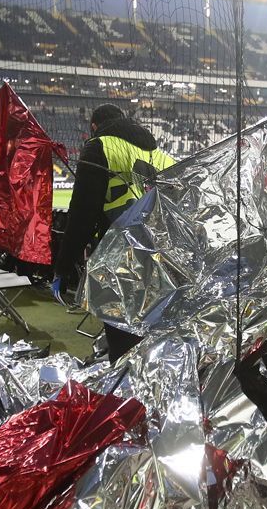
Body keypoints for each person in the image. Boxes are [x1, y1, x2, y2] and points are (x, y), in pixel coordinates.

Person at [56, 103, 177, 360]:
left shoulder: (99, 146)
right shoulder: (158, 152)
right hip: (158, 259)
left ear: (94, 127)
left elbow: (82, 214)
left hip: (119, 257)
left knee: (122, 342)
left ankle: (126, 394)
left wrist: (63, 267)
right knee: (150, 339)